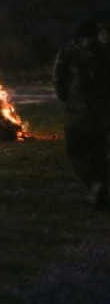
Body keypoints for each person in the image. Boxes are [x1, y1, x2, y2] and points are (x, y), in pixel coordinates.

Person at [53, 18, 110, 210]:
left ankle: (95, 186)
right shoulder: (104, 51)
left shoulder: (68, 51)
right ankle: (102, 189)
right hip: (102, 114)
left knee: (76, 152)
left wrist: (67, 99)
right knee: (99, 152)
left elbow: (58, 79)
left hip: (77, 114)